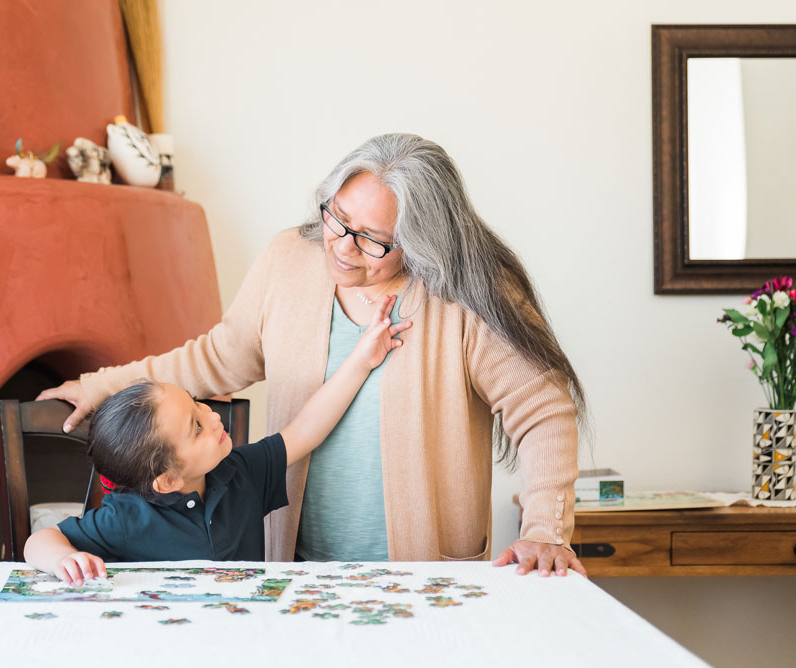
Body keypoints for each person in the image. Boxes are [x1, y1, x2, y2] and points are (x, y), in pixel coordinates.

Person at [38, 133, 587, 577]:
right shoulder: (286, 260)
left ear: (424, 242)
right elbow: (214, 358)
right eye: (337, 218)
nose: (342, 247)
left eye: (373, 239)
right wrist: (102, 385)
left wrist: (543, 530)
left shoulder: (470, 291)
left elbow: (543, 412)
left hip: (422, 575)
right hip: (299, 574)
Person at [26, 297, 411, 585]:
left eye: (196, 405)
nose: (212, 416)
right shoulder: (126, 517)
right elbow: (39, 541)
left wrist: (363, 358)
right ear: (167, 481)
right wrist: (62, 560)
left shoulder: (240, 472)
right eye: (195, 426)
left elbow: (305, 430)